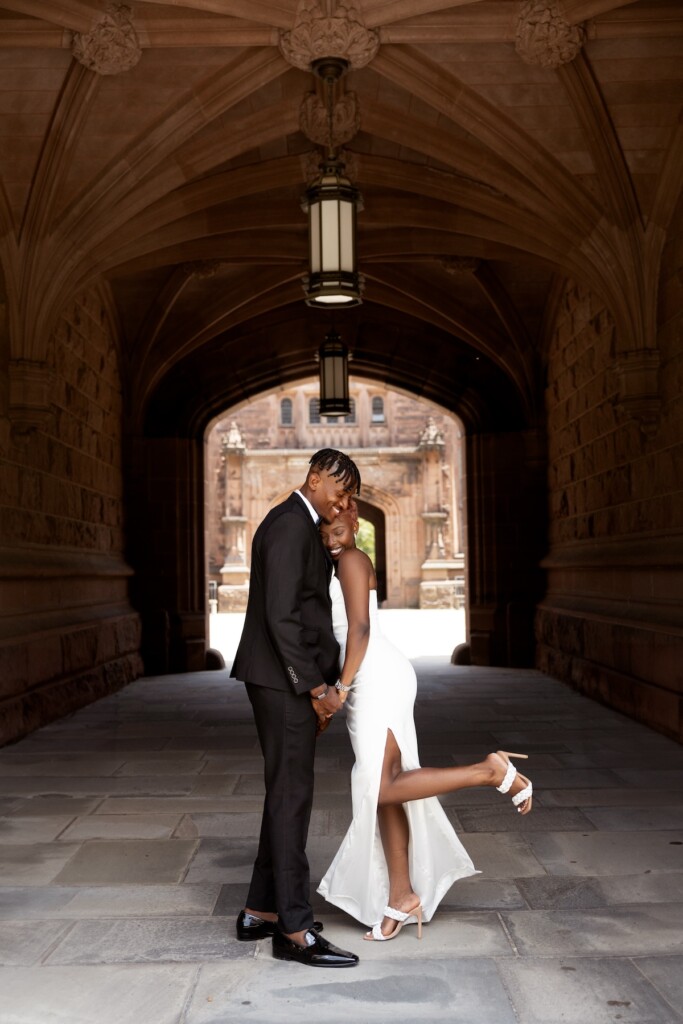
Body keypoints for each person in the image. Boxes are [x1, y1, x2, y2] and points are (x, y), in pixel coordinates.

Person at [317, 503, 533, 941]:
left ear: (355, 518)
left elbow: (359, 629)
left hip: (374, 676)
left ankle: (489, 772)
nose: (331, 534)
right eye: (324, 528)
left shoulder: (354, 560)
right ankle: (401, 896)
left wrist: (339, 687)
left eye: (339, 524)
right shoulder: (339, 563)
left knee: (380, 785)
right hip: (368, 679)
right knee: (387, 787)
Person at [231, 449, 362, 968]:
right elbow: (281, 618)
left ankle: (260, 910)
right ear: (314, 477)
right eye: (339, 489)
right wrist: (313, 688)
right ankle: (295, 929)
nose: (344, 500)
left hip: (284, 682)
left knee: (284, 792)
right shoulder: (288, 524)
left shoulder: (305, 523)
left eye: (351, 494)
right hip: (283, 684)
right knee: (293, 799)